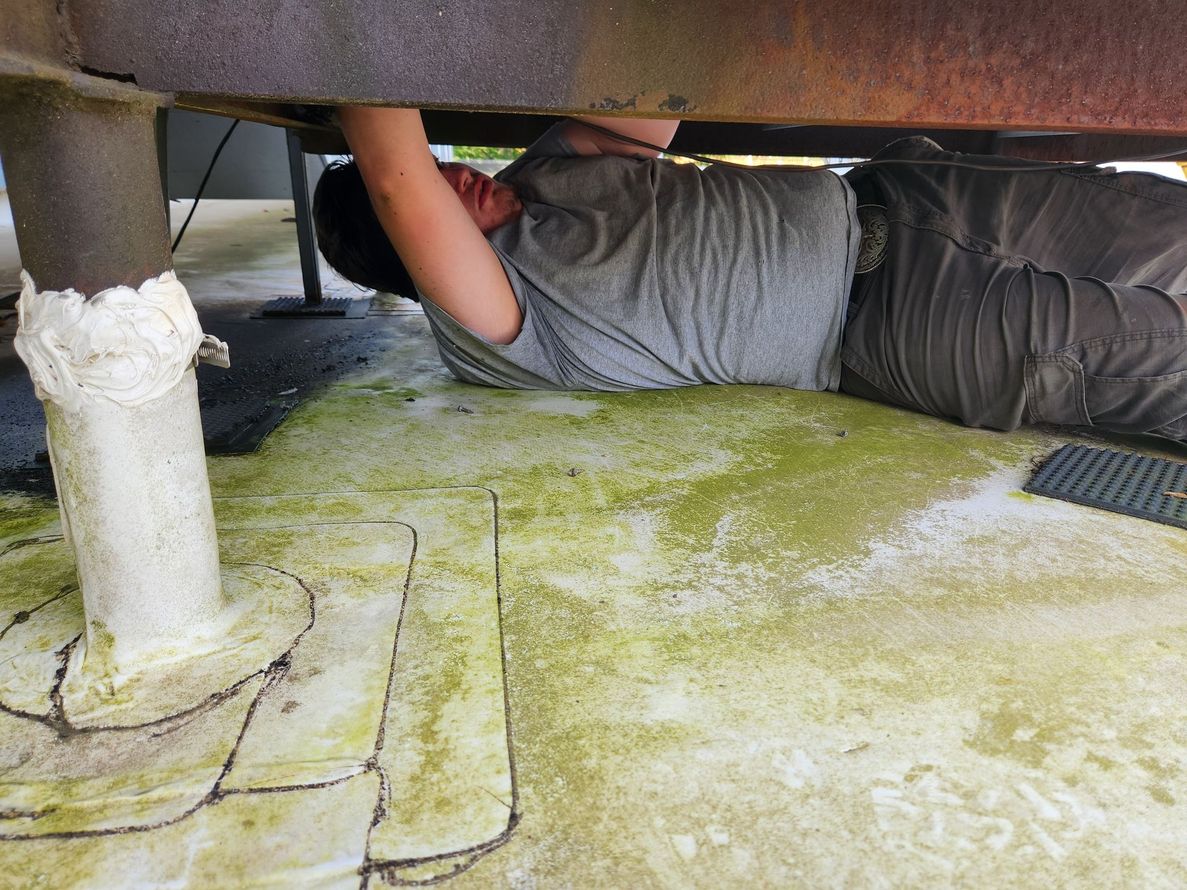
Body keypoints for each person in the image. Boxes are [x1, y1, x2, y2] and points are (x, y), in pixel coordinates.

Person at [314, 107, 1187, 444]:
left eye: (441, 165)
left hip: (908, 196)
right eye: (427, 188)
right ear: (407, 241)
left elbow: (647, 85)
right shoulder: (492, 319)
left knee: (1165, 221)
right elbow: (391, 171)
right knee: (1165, 360)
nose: (445, 172)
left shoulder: (542, 172)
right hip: (909, 324)